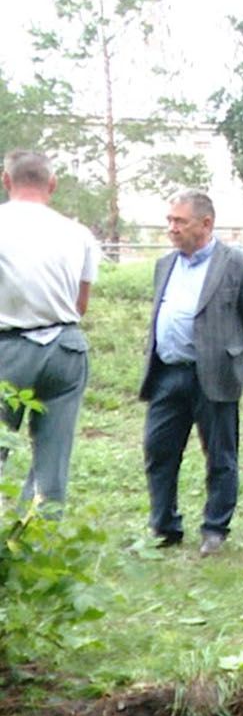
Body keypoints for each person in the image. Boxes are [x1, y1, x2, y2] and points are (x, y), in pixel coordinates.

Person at [139, 190, 243, 555]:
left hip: (213, 375)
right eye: (169, 221)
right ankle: (164, 527)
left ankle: (215, 529)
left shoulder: (241, 266)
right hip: (168, 373)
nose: (172, 228)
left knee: (220, 455)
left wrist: (235, 362)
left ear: (206, 224)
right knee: (158, 450)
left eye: (179, 221)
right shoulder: (164, 265)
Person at [0, 150, 100, 516]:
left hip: (8, 347)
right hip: (65, 347)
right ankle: (38, 544)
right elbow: (80, 304)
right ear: (52, 184)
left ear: (5, 179)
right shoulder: (79, 233)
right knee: (52, 457)